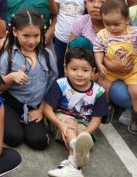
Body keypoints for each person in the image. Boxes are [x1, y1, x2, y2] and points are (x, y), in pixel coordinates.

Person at [94, 0, 137, 133]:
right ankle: (105, 108)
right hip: (110, 71)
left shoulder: (134, 31)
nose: (112, 27)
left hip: (132, 70)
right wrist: (100, 64)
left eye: (116, 24)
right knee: (102, 88)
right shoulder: (102, 34)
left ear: (127, 19)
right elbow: (98, 50)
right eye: (107, 23)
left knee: (136, 92)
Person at [43, 47, 106, 177]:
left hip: (84, 123)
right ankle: (76, 148)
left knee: (81, 133)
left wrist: (86, 134)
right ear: (66, 69)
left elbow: (96, 119)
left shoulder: (99, 91)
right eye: (74, 69)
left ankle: (72, 165)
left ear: (93, 71)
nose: (79, 74)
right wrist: (60, 124)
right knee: (70, 123)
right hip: (60, 118)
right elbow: (47, 110)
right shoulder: (61, 84)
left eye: (85, 70)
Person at [0, 9, 56, 150]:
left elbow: (52, 85)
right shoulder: (9, 55)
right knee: (14, 138)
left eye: (36, 35)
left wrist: (41, 110)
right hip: (11, 104)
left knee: (39, 141)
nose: (31, 41)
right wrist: (11, 77)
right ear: (15, 32)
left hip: (34, 107)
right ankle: (2, 120)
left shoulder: (47, 55)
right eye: (26, 36)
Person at [48, 0, 91, 75]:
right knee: (60, 67)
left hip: (77, 41)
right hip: (60, 38)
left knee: (74, 67)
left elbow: (87, 17)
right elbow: (54, 12)